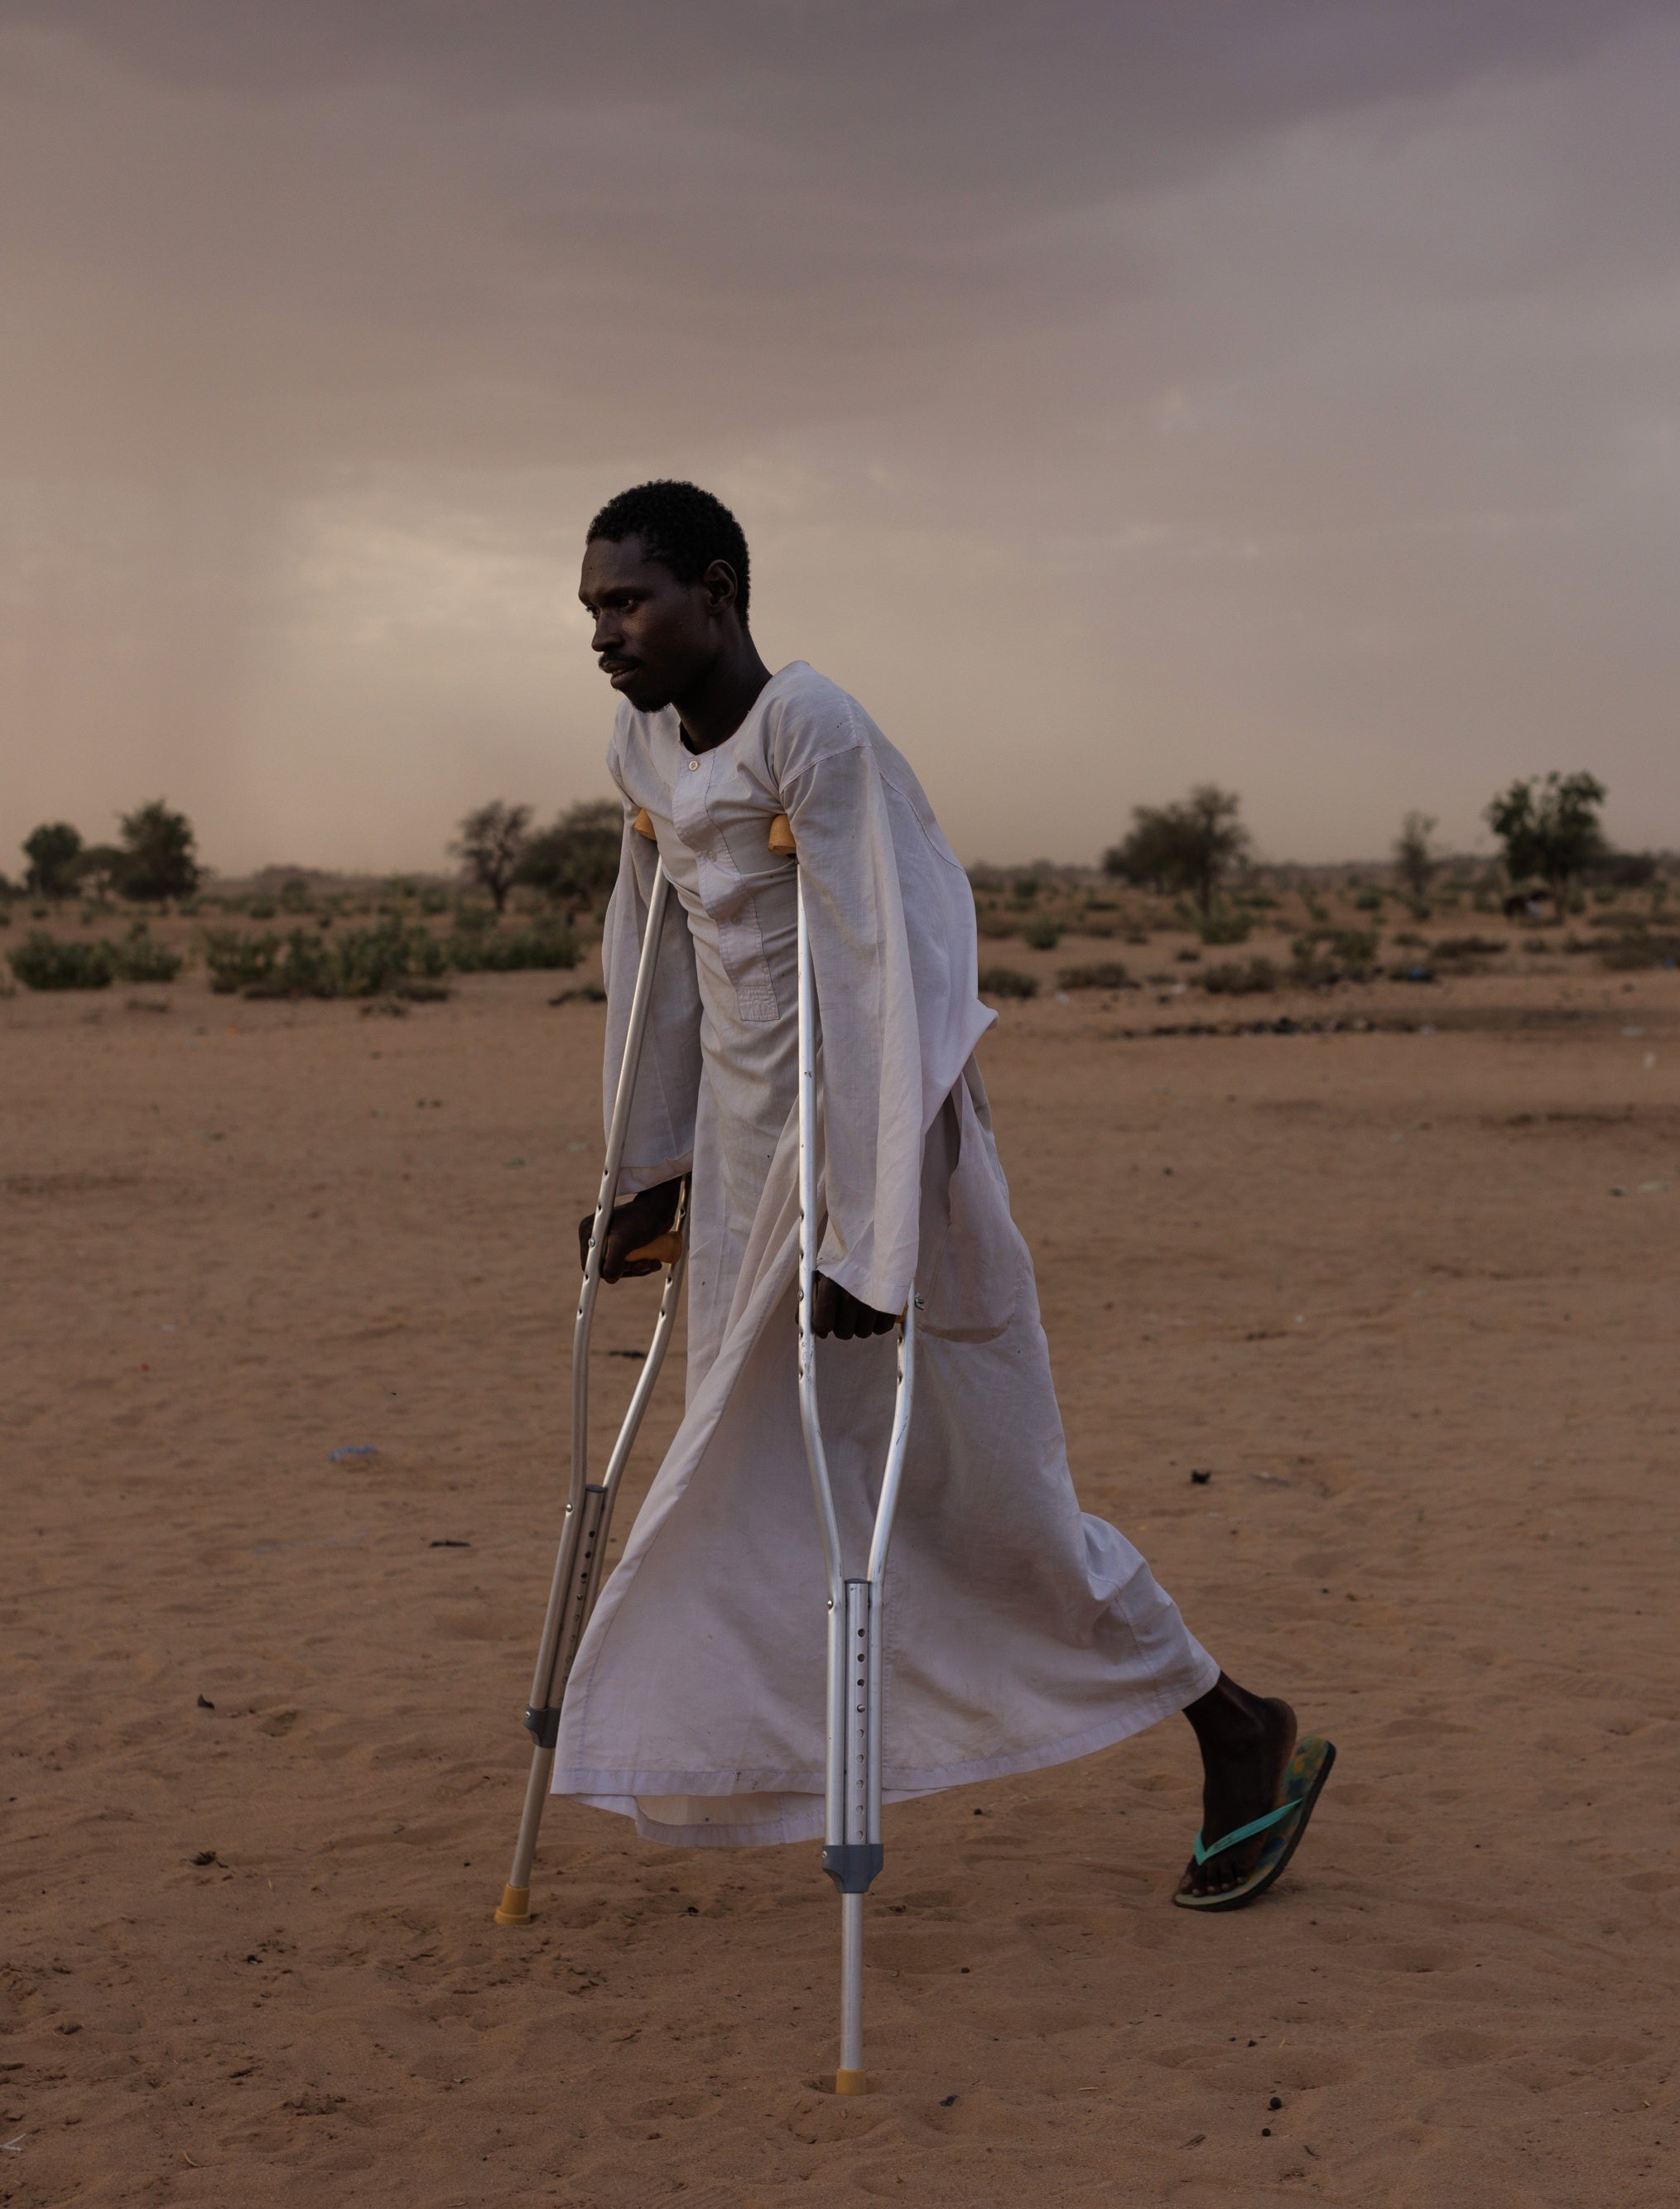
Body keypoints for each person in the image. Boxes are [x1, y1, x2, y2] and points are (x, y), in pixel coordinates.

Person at [548, 479, 1331, 1910]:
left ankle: (1233, 1722)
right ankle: (769, 1755)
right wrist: (641, 1172)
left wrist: (873, 1231)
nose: (604, 633)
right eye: (591, 607)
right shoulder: (641, 745)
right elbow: (649, 964)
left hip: (875, 1162)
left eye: (629, 601)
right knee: (763, 1485)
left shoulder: (814, 728)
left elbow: (881, 969)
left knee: (975, 1495)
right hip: (741, 1179)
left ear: (718, 590)